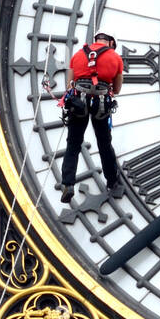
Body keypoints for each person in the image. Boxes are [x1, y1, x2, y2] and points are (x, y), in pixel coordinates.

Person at [58, 31, 125, 203]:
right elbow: (116, 89)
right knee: (104, 143)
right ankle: (112, 181)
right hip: (101, 103)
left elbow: (69, 84)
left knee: (73, 143)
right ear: (110, 43)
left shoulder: (78, 55)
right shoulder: (116, 58)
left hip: (78, 102)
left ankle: (67, 184)